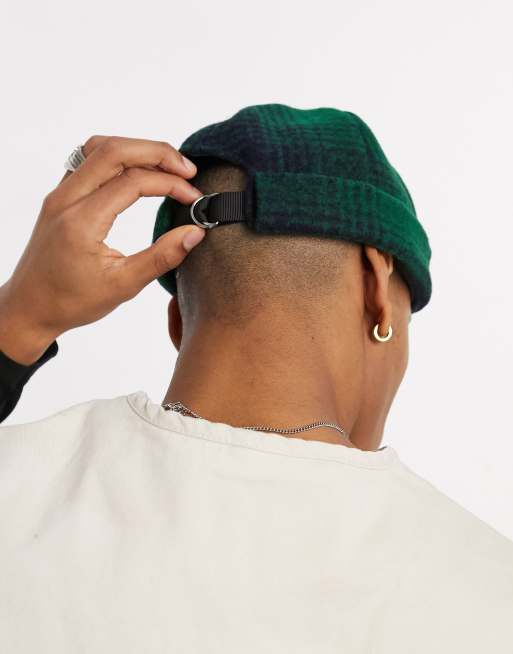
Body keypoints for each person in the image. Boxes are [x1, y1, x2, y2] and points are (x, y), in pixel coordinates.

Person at [0, 104, 511, 653]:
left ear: (178, 323)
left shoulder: (18, 491)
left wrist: (20, 319)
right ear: (377, 289)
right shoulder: (486, 592)